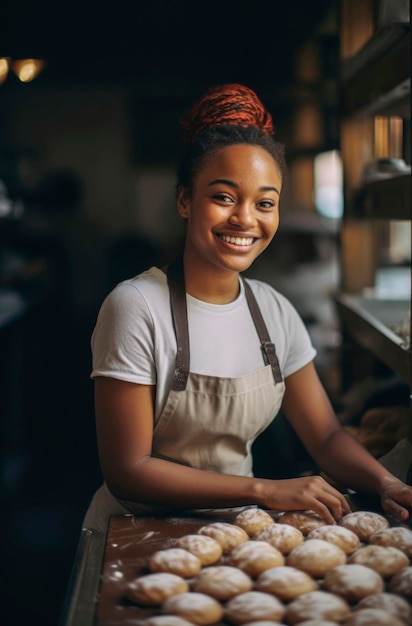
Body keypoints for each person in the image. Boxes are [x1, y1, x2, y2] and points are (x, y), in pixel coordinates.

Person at [83, 83, 412, 532]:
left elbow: (326, 436)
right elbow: (128, 469)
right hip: (134, 532)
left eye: (265, 203)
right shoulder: (135, 307)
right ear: (184, 200)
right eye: (223, 196)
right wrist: (264, 489)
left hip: (239, 530)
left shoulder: (274, 311)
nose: (245, 218)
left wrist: (388, 482)